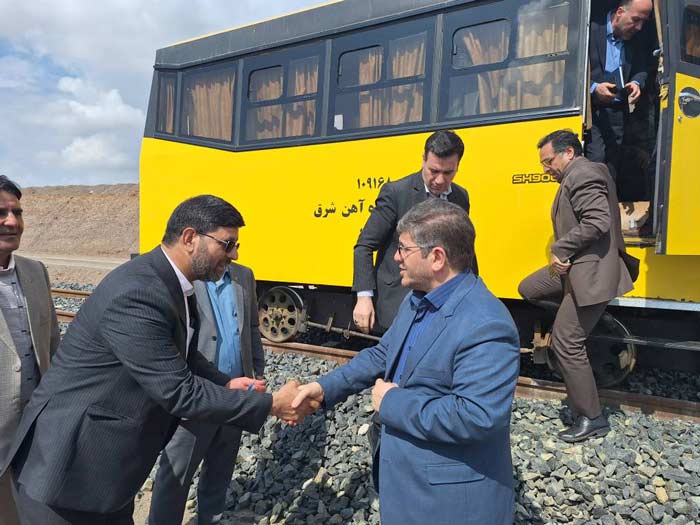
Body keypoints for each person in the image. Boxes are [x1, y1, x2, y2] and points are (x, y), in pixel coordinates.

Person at [1, 195, 315, 525]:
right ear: (190, 238)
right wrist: (271, 405)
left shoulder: (173, 283)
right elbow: (178, 391)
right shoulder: (139, 292)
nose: (234, 255)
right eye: (227, 244)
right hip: (67, 472)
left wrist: (225, 382)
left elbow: (181, 352)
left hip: (106, 475)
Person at [295, 199, 520, 525]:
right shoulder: (418, 299)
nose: (396, 257)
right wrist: (322, 388)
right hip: (408, 488)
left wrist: (392, 402)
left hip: (447, 506)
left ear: (437, 258)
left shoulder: (486, 324)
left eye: (403, 249)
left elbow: (477, 416)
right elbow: (383, 353)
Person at [519, 130, 639, 443]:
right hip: (578, 270)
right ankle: (574, 314)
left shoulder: (583, 174)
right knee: (529, 288)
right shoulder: (576, 175)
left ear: (569, 153)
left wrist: (561, 249)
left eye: (549, 161)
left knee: (566, 342)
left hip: (593, 273)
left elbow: (597, 221)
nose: (546, 168)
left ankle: (592, 418)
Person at [149, 257, 266, 525]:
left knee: (220, 469)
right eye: (228, 244)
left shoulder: (244, 276)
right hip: (196, 393)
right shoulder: (186, 277)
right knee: (176, 473)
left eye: (236, 245)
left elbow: (251, 328)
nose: (233, 253)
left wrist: (257, 372)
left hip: (237, 394)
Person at [352, 129, 476, 335]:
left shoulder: (460, 197)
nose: (439, 180)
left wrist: (473, 292)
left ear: (458, 166)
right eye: (433, 171)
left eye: (448, 173)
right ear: (423, 159)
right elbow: (364, 246)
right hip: (399, 299)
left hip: (443, 302)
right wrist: (364, 297)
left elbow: (464, 250)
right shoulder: (396, 193)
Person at [0, 176, 60, 525]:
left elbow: (53, 345)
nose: (12, 221)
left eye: (17, 212)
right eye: (1, 212)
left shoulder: (35, 272)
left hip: (36, 431)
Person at [587, 0, 654, 183]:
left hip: (618, 113)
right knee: (596, 160)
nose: (639, 28)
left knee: (612, 165)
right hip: (592, 112)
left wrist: (636, 83)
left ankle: (608, 199)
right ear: (619, 12)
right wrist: (594, 88)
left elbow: (641, 68)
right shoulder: (590, 30)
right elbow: (570, 71)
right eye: (636, 20)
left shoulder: (635, 40)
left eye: (643, 22)